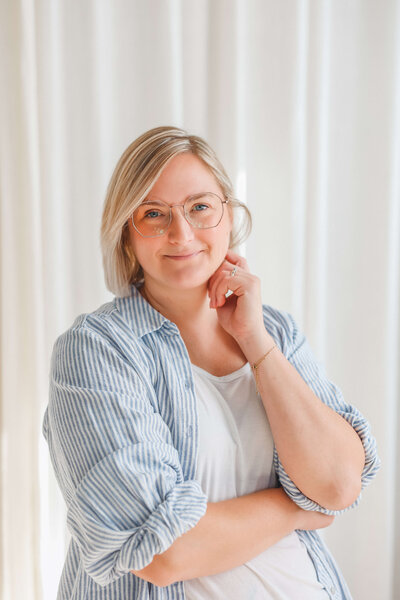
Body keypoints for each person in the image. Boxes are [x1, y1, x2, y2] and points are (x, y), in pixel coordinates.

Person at [42, 125, 381, 600]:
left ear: (228, 216)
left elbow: (339, 484)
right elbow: (163, 554)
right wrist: (294, 510)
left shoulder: (275, 332)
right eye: (154, 214)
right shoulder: (97, 349)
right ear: (126, 237)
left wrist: (257, 344)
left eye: (200, 207)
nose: (182, 233)